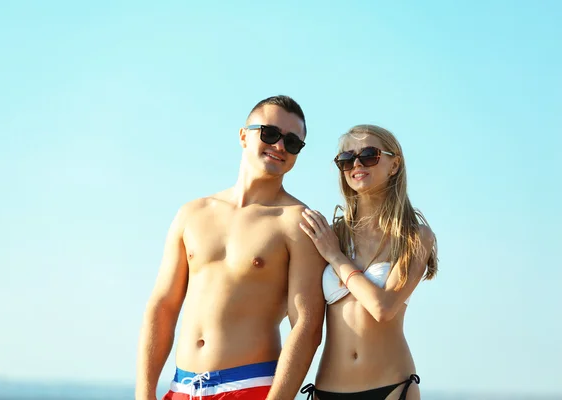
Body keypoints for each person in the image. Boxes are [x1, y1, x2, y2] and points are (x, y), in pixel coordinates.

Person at [135, 95, 327, 400]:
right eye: (270, 133)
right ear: (243, 135)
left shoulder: (297, 222)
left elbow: (306, 324)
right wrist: (144, 393)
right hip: (181, 388)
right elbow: (163, 305)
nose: (279, 146)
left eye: (292, 143)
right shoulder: (192, 213)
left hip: (250, 388)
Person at [298, 124, 438, 400]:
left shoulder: (415, 236)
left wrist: (336, 257)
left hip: (392, 387)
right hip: (328, 389)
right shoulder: (331, 234)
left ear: (394, 164)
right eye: (347, 159)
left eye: (369, 155)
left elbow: (382, 307)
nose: (356, 164)